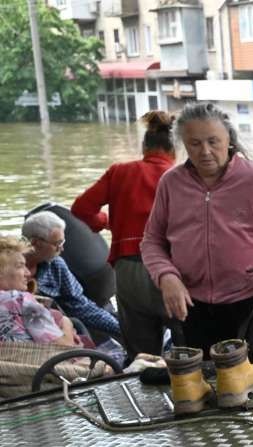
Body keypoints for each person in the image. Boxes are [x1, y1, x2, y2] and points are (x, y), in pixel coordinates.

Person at [140, 102, 253, 357]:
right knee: (201, 386)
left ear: (229, 139)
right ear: (183, 143)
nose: (205, 151)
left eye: (213, 141)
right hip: (192, 307)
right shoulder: (171, 184)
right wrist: (166, 277)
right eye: (194, 144)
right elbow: (152, 241)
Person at [71, 110, 179, 359]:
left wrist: (106, 222)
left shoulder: (119, 172)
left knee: (141, 357)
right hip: (171, 271)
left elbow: (81, 208)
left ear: (144, 147)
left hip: (127, 269)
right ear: (175, 150)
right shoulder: (181, 176)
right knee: (186, 350)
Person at [0, 236, 77, 346]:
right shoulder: (22, 302)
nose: (28, 273)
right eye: (20, 266)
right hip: (32, 369)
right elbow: (64, 347)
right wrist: (67, 324)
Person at [20, 211, 122, 340]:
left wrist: (120, 328)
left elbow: (79, 305)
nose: (62, 249)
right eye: (57, 244)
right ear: (35, 243)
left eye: (63, 243)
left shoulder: (56, 264)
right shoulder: (4, 265)